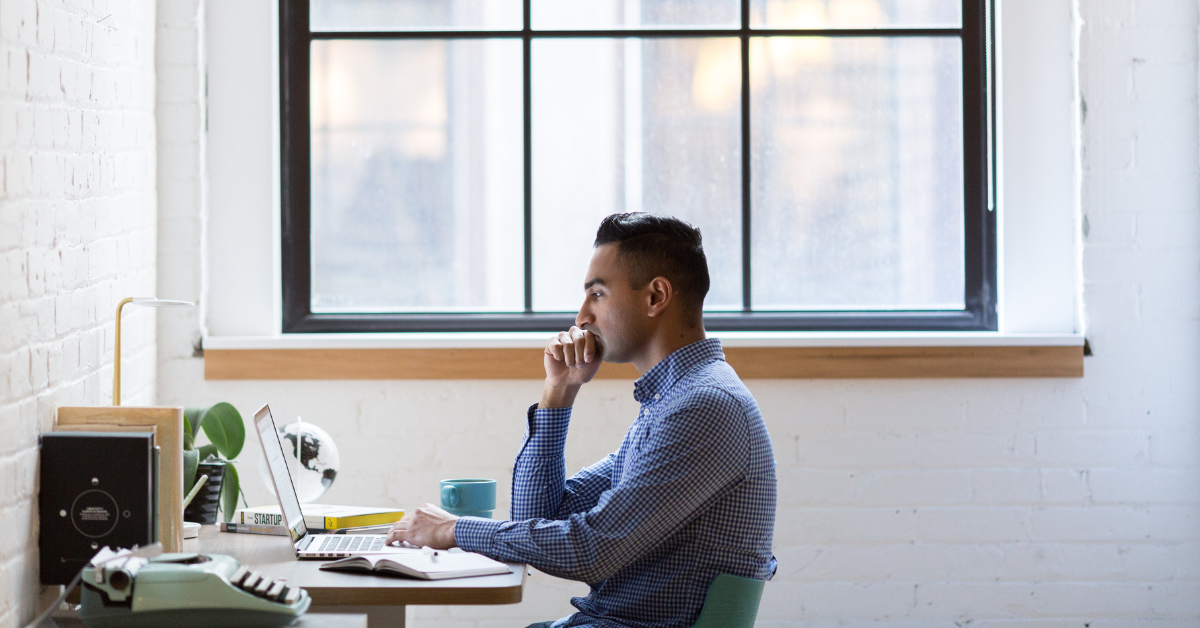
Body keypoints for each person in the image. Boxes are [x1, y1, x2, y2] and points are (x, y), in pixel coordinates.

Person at [387, 212, 777, 628]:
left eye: (598, 294)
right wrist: (559, 391)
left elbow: (592, 550)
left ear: (655, 297)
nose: (581, 317)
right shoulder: (671, 402)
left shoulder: (703, 407)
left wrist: (453, 530)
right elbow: (537, 517)